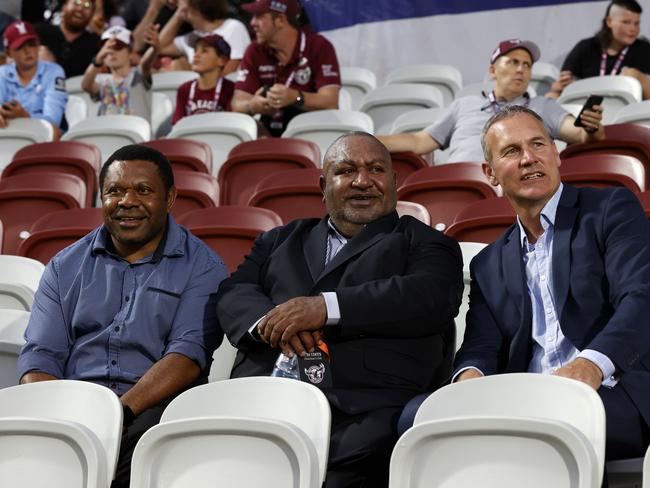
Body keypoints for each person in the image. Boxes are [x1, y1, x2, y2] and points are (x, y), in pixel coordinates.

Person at [216, 132, 463, 487]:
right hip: (258, 399)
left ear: (394, 181)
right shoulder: (280, 239)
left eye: (376, 169)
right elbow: (234, 291)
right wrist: (275, 321)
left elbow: (430, 295)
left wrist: (325, 308)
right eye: (346, 170)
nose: (363, 181)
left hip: (361, 414)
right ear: (323, 184)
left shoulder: (426, 243)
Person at [17, 144, 227, 487]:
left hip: (152, 409)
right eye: (115, 191)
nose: (127, 201)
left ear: (170, 198)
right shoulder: (64, 265)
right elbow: (41, 353)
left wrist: (117, 413)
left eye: (143, 190)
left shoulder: (203, 267)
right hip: (72, 408)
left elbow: (186, 356)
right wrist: (58, 412)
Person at [453, 105, 650, 463]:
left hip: (612, 389)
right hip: (530, 397)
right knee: (418, 418)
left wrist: (591, 364)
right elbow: (480, 345)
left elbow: (641, 297)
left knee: (547, 427)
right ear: (490, 173)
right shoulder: (487, 263)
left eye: (538, 145)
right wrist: (469, 379)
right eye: (512, 151)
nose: (529, 159)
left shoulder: (609, 209)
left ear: (556, 154)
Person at [377, 39, 605, 164]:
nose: (521, 69)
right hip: (459, 184)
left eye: (527, 65)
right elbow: (419, 142)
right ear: (493, 70)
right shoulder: (464, 105)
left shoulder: (543, 106)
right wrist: (369, 142)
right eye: (513, 62)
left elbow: (581, 135)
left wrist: (591, 127)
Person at [231, 0, 340, 137]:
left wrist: (296, 97)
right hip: (268, 136)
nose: (252, 23)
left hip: (311, 134)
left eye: (259, 16)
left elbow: (330, 102)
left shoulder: (319, 46)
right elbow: (237, 103)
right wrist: (252, 106)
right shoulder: (254, 50)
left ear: (280, 20)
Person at [549, 0, 650, 100]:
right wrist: (559, 86)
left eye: (636, 23)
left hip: (628, 111)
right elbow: (562, 84)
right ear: (609, 21)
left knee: (632, 73)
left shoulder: (645, 50)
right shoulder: (586, 47)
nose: (633, 29)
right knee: (551, 96)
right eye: (626, 22)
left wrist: (635, 76)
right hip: (587, 108)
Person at [0, 20, 67, 138]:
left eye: (31, 44)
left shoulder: (54, 71)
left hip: (45, 140)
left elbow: (53, 122)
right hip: (8, 136)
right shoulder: (2, 73)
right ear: (9, 52)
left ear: (39, 45)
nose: (28, 51)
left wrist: (24, 116)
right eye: (20, 46)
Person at [81, 25, 159, 120]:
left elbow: (145, 64)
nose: (111, 52)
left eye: (118, 47)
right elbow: (86, 86)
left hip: (136, 133)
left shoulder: (139, 75)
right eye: (107, 48)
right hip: (107, 133)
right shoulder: (101, 81)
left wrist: (154, 49)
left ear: (130, 53)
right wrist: (97, 60)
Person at [157, 0, 250, 74]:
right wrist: (178, 15)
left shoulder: (233, 27)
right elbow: (159, 47)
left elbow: (229, 73)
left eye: (185, 9)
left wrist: (189, 73)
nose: (184, 15)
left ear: (196, 11)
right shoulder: (193, 36)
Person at [172, 33, 233, 125]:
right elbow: (177, 125)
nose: (196, 55)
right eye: (195, 50)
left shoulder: (231, 89)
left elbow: (232, 124)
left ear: (222, 60)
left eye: (204, 51)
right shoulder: (184, 89)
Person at [35, 0, 101, 77]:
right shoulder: (39, 32)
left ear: (92, 14)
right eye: (77, 3)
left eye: (87, 6)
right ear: (64, 7)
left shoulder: (96, 43)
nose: (80, 9)